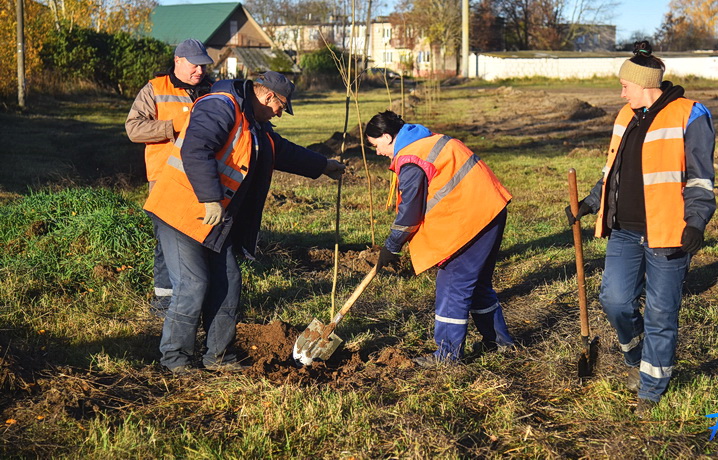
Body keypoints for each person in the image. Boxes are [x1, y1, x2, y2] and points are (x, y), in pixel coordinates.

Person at [144, 71, 346, 374]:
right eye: (282, 106)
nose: (281, 112)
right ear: (267, 96)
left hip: (214, 219)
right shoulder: (219, 106)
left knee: (228, 283)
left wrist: (323, 165)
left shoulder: (253, 123)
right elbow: (196, 149)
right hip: (181, 210)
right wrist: (210, 197)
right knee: (193, 285)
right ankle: (175, 360)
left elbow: (280, 151)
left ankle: (217, 357)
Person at [567, 41, 716, 414]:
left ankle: (650, 389)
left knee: (661, 314)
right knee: (614, 300)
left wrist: (696, 222)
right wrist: (591, 201)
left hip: (668, 231)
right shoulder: (625, 116)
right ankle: (634, 358)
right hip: (625, 229)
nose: (621, 91)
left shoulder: (691, 115)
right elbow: (613, 170)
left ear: (645, 84)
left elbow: (701, 177)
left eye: (625, 85)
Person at [364, 110, 515, 366]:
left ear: (388, 137)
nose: (377, 152)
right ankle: (501, 343)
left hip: (471, 220)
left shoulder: (411, 158)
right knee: (476, 284)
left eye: (376, 145)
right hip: (491, 210)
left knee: (453, 285)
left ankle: (447, 356)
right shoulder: (428, 140)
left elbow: (409, 213)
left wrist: (392, 246)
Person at [126, 39, 214, 317]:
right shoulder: (155, 89)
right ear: (178, 61)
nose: (199, 70)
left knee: (200, 238)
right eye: (194, 64)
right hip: (165, 180)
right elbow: (134, 129)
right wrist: (173, 126)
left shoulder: (211, 90)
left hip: (202, 180)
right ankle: (164, 302)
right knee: (167, 243)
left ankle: (196, 298)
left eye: (203, 65)